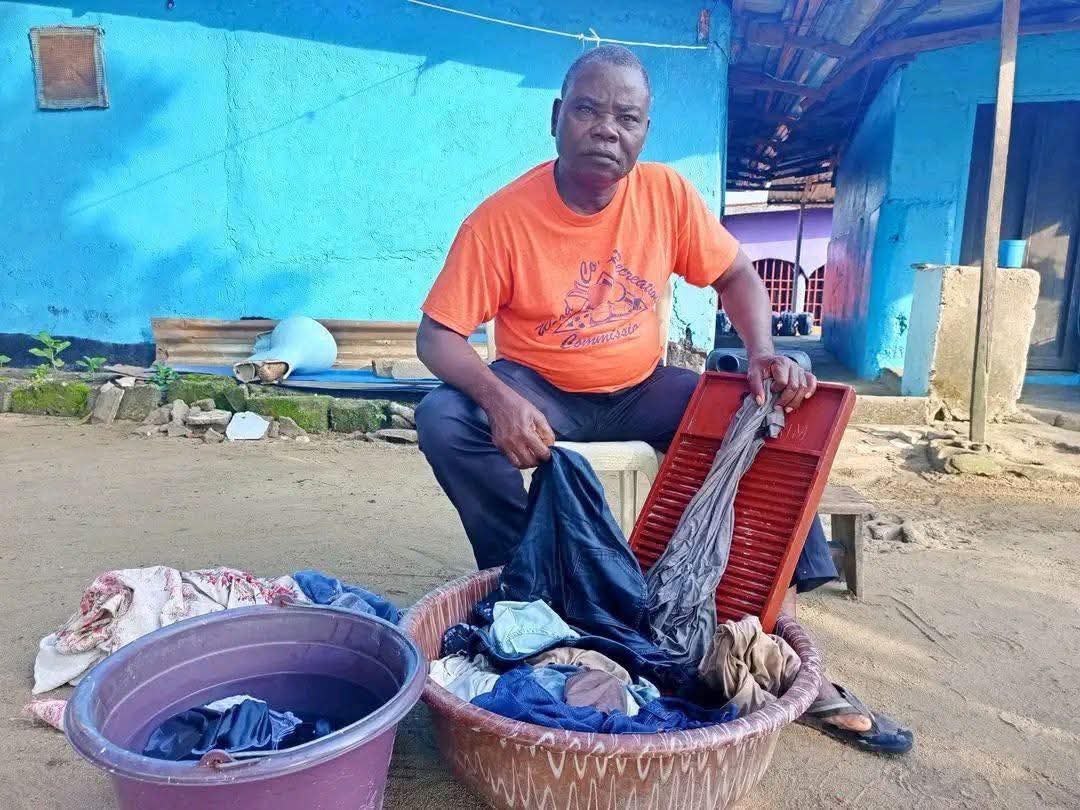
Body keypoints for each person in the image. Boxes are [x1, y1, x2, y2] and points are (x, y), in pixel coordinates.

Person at [414, 45, 912, 755]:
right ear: (557, 117)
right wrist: (497, 397)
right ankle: (524, 586)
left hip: (643, 386)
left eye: (627, 117)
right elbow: (437, 336)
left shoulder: (667, 195)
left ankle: (764, 625)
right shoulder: (500, 220)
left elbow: (737, 275)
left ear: (644, 131)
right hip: (541, 389)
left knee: (764, 408)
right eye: (588, 110)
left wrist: (763, 353)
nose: (606, 128)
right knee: (444, 416)